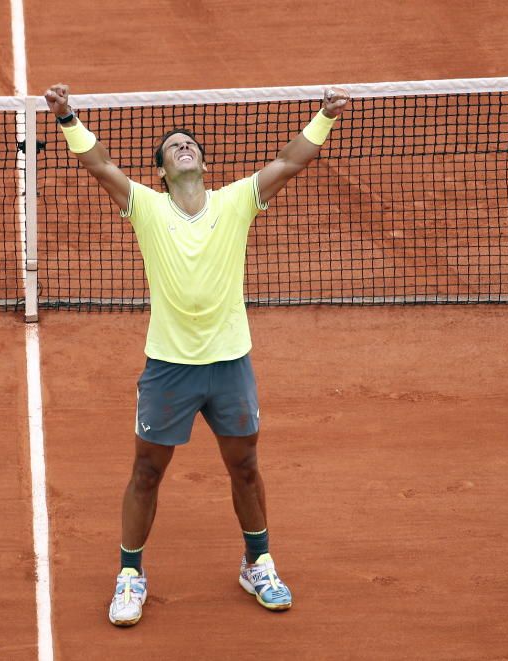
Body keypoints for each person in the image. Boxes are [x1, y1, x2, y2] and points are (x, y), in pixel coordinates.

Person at [44, 83, 349, 627]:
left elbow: (288, 162)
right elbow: (101, 165)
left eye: (190, 143)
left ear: (203, 163)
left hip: (230, 363)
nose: (183, 146)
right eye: (172, 146)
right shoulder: (146, 207)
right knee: (146, 471)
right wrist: (68, 117)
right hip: (168, 368)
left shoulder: (236, 201)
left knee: (246, 466)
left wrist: (324, 116)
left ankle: (258, 562)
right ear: (161, 170)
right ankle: (130, 576)